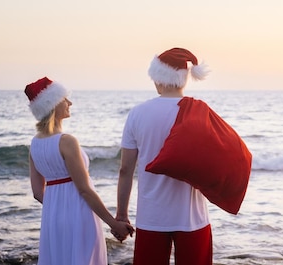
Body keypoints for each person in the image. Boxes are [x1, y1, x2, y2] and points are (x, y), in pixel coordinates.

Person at [116, 47, 212, 265]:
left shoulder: (137, 114)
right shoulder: (199, 111)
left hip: (152, 217)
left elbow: (125, 170)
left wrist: (121, 215)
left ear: (158, 78)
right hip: (192, 218)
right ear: (184, 80)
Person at [25, 77, 133, 265]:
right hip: (79, 216)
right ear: (53, 105)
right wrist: (113, 223)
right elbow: (84, 189)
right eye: (65, 99)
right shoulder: (66, 141)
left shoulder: (34, 144)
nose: (70, 103)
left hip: (53, 219)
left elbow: (37, 192)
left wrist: (58, 207)